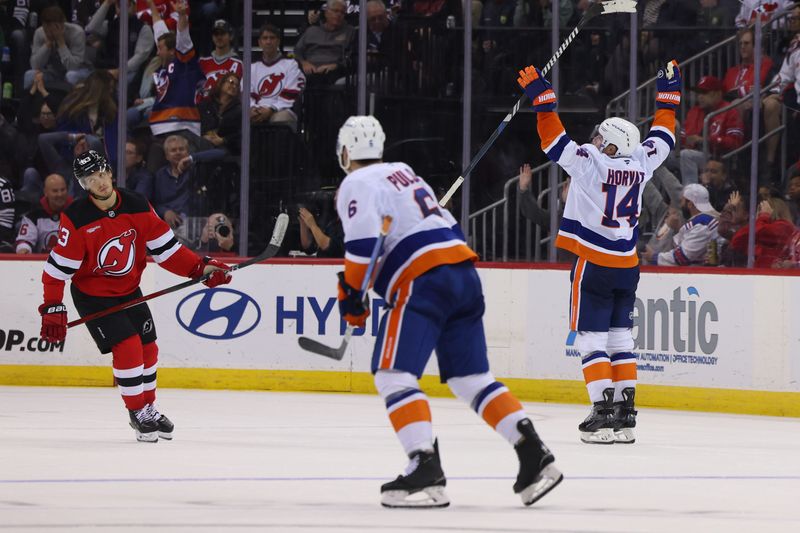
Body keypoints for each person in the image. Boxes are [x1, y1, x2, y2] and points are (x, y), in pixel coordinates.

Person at [334, 116, 562, 508]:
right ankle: (533, 453)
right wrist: (356, 292)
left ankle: (424, 467)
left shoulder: (355, 183)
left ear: (344, 153)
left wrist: (351, 295)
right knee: (471, 378)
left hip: (424, 280)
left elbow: (362, 246)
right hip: (464, 273)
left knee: (394, 375)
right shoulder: (403, 173)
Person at [518, 59, 681, 444]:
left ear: (607, 144)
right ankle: (625, 415)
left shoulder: (592, 164)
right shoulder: (641, 161)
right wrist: (668, 98)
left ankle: (601, 412)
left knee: (591, 339)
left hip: (593, 263)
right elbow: (665, 135)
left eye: (597, 137)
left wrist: (543, 101)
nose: (592, 141)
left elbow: (553, 142)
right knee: (621, 339)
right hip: (627, 264)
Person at [37, 150, 232, 442]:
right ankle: (136, 411)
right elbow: (56, 272)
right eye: (91, 179)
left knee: (148, 347)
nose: (100, 182)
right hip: (93, 296)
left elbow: (168, 251)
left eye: (102, 174)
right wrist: (52, 306)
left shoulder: (138, 205)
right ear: (83, 184)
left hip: (129, 290)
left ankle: (149, 407)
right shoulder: (76, 217)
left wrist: (200, 269)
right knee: (127, 346)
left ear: (110, 173)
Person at [679, 76, 744, 185]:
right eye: (699, 93)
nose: (700, 97)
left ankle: (692, 196)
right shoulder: (695, 111)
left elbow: (735, 141)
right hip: (691, 152)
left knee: (686, 155)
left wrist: (706, 140)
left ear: (718, 94)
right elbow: (683, 135)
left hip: (715, 156)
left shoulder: (729, 111)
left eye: (705, 93)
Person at [643, 184, 720, 266]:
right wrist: (673, 228)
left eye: (681, 201)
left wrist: (654, 257)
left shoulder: (703, 223)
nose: (680, 205)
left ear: (690, 204)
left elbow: (681, 257)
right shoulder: (701, 220)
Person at [250, 23, 306, 131]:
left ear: (278, 41)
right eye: (265, 38)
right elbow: (246, 93)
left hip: (282, 110)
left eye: (272, 38)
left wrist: (272, 109)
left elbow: (292, 93)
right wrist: (252, 108)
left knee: (279, 120)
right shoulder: (252, 67)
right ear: (259, 42)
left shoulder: (291, 64)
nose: (268, 41)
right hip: (257, 110)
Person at [25, 5, 92, 92]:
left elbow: (73, 67)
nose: (50, 32)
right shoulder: (39, 33)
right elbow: (35, 65)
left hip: (80, 70)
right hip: (53, 72)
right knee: (29, 75)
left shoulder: (77, 33)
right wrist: (48, 44)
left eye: (54, 28)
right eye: (46, 28)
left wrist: (61, 42)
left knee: (71, 76)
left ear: (62, 23)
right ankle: (28, 104)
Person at [730, 196, 797, 267]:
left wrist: (763, 217)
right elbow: (736, 241)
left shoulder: (785, 226)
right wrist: (759, 221)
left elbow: (768, 234)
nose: (759, 213)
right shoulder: (760, 226)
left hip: (776, 275)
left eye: (761, 209)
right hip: (758, 274)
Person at [16, 174, 72, 253]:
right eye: (55, 191)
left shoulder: (78, 212)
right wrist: (24, 249)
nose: (60, 194)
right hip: (42, 264)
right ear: (46, 192)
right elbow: (24, 241)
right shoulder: (33, 216)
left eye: (63, 190)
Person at [197, 19, 244, 103]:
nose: (219, 37)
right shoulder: (202, 61)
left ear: (231, 36)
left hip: (225, 109)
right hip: (202, 108)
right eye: (216, 34)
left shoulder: (238, 63)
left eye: (222, 34)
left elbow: (236, 91)